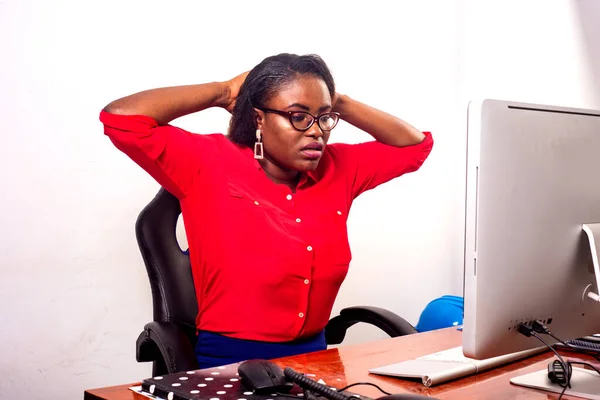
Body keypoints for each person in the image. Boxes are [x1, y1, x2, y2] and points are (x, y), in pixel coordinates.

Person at [100, 53, 433, 368]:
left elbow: (416, 146)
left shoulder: (339, 168)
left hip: (315, 365)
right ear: (259, 118)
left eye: (324, 117)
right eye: (299, 116)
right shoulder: (207, 162)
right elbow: (121, 120)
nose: (316, 130)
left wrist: (336, 99)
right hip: (230, 365)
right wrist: (225, 91)